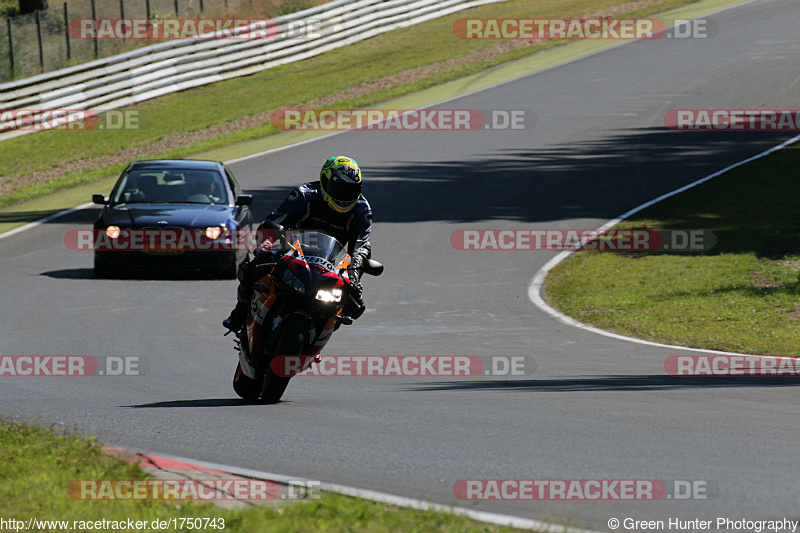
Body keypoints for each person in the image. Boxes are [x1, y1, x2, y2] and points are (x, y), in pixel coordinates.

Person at [222, 156, 373, 332]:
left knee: (354, 304)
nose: (344, 196)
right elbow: (273, 221)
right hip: (291, 251)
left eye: (351, 190)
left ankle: (321, 331)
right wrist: (267, 247)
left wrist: (354, 277)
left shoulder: (362, 210)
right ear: (324, 181)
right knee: (252, 268)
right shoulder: (304, 194)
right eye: (339, 189)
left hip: (331, 263)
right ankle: (239, 313)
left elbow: (361, 246)